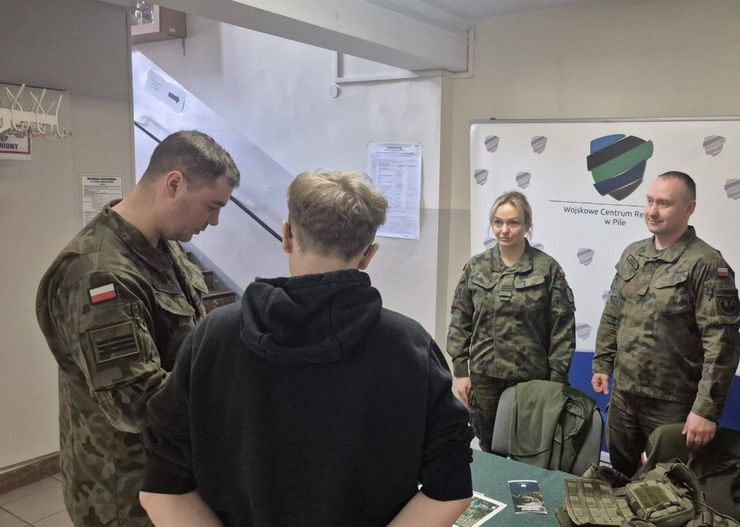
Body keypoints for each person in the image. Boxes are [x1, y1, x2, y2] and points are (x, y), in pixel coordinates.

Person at [139, 171, 474, 527]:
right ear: (368, 254)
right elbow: (450, 487)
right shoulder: (409, 347)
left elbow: (162, 486)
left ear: (286, 235)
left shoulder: (212, 337)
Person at [35, 130, 239, 526]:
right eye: (211, 206)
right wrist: (238, 392)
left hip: (170, 473)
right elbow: (136, 405)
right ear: (174, 184)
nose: (214, 221)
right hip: (125, 493)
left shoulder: (163, 247)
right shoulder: (99, 274)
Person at [592, 171, 740, 478]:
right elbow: (613, 312)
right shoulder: (634, 254)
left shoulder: (705, 263)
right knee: (621, 475)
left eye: (664, 203)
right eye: (649, 201)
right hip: (625, 395)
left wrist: (706, 409)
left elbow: (722, 344)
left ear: (689, 208)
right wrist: (602, 363)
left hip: (672, 403)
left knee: (666, 484)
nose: (652, 211)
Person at [446, 190, 576, 452]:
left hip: (531, 379)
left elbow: (562, 328)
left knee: (529, 448)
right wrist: (461, 372)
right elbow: (461, 319)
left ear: (528, 225)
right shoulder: (476, 267)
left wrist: (556, 380)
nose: (504, 230)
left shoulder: (546, 269)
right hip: (485, 378)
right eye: (498, 222)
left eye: (513, 223)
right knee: (489, 445)